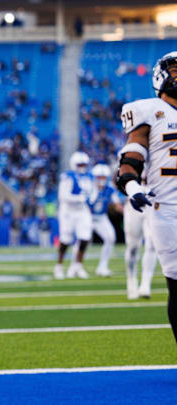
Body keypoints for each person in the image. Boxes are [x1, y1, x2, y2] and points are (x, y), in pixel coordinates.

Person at [116, 51, 177, 343]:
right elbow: (133, 152)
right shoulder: (150, 110)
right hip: (168, 208)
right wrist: (131, 186)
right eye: (175, 69)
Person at [54, 151, 93, 280]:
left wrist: (90, 199)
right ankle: (59, 266)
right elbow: (63, 196)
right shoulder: (68, 176)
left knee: (85, 237)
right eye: (79, 164)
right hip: (68, 211)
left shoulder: (89, 177)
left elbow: (92, 193)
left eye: (84, 164)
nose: (82, 166)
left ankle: (78, 266)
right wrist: (79, 198)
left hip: (82, 210)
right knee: (66, 240)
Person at [121, 171, 157, 299]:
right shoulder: (133, 152)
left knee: (152, 244)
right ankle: (131, 280)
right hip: (133, 205)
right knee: (132, 247)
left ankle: (145, 284)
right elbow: (119, 178)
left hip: (153, 204)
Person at [88, 164, 122, 277]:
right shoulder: (89, 188)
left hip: (101, 217)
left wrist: (127, 211)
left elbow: (117, 204)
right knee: (82, 240)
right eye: (99, 177)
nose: (101, 180)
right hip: (87, 217)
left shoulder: (110, 189)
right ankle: (75, 266)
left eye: (103, 177)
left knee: (110, 238)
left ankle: (102, 267)